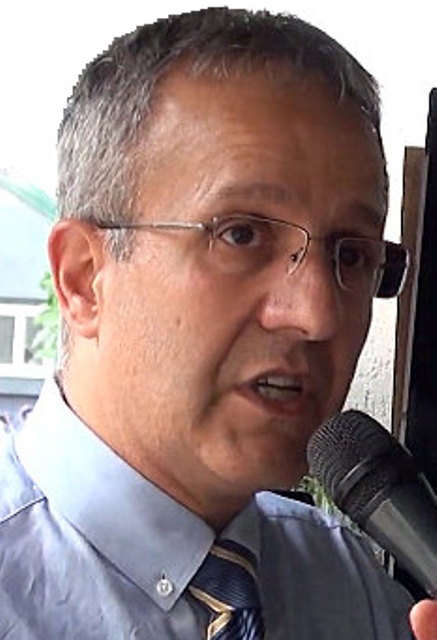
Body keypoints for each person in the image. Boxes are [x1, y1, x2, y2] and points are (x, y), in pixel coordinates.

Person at [1, 7, 436, 639]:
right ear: (83, 278)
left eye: (351, 255)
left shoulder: (355, 589)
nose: (317, 315)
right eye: (241, 235)